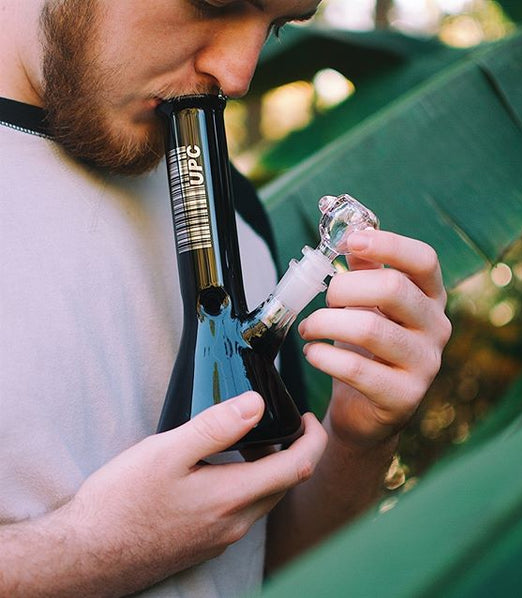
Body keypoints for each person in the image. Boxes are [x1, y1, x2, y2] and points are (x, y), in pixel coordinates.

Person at [0, 0, 452, 596]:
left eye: (276, 25)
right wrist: (90, 550)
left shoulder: (231, 209)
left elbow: (264, 568)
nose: (238, 76)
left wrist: (360, 439)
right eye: (215, 3)